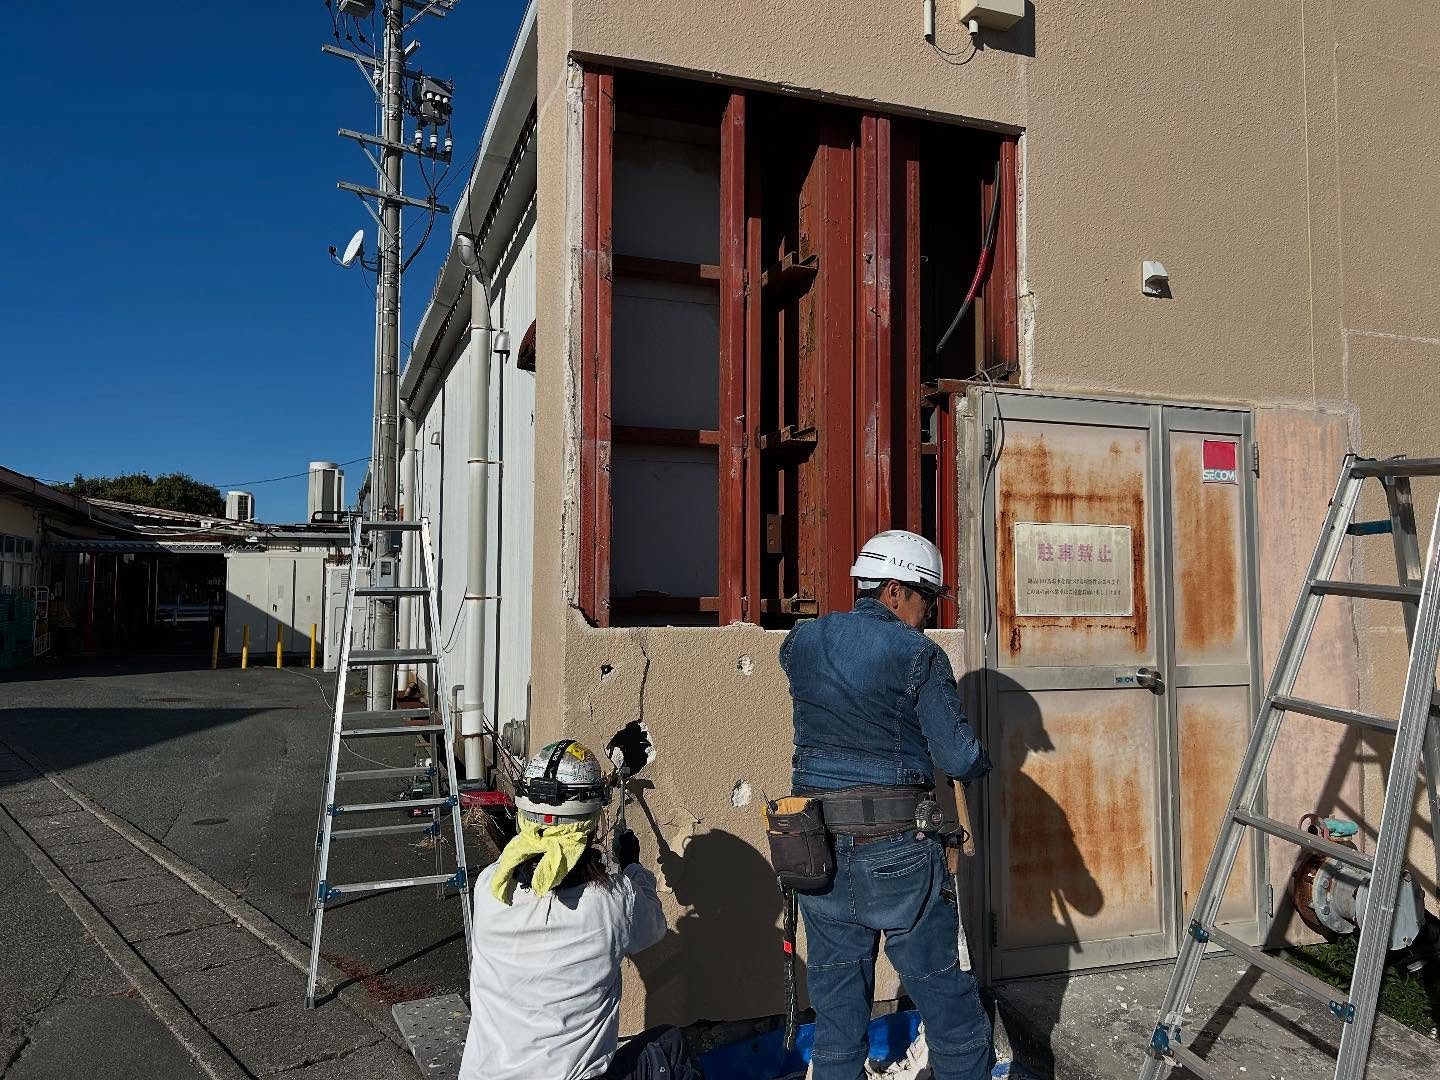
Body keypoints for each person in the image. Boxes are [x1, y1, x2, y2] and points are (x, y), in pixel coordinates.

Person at [780, 530, 994, 1080]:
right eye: (926, 599)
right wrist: (978, 760)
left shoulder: (802, 642)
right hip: (895, 853)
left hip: (814, 851)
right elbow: (959, 754)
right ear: (895, 590)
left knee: (836, 1018)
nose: (928, 614)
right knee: (948, 1005)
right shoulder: (917, 654)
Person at [458, 739, 702, 1080]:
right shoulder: (612, 902)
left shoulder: (489, 888)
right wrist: (633, 867)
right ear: (588, 824)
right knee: (670, 1046)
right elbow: (654, 927)